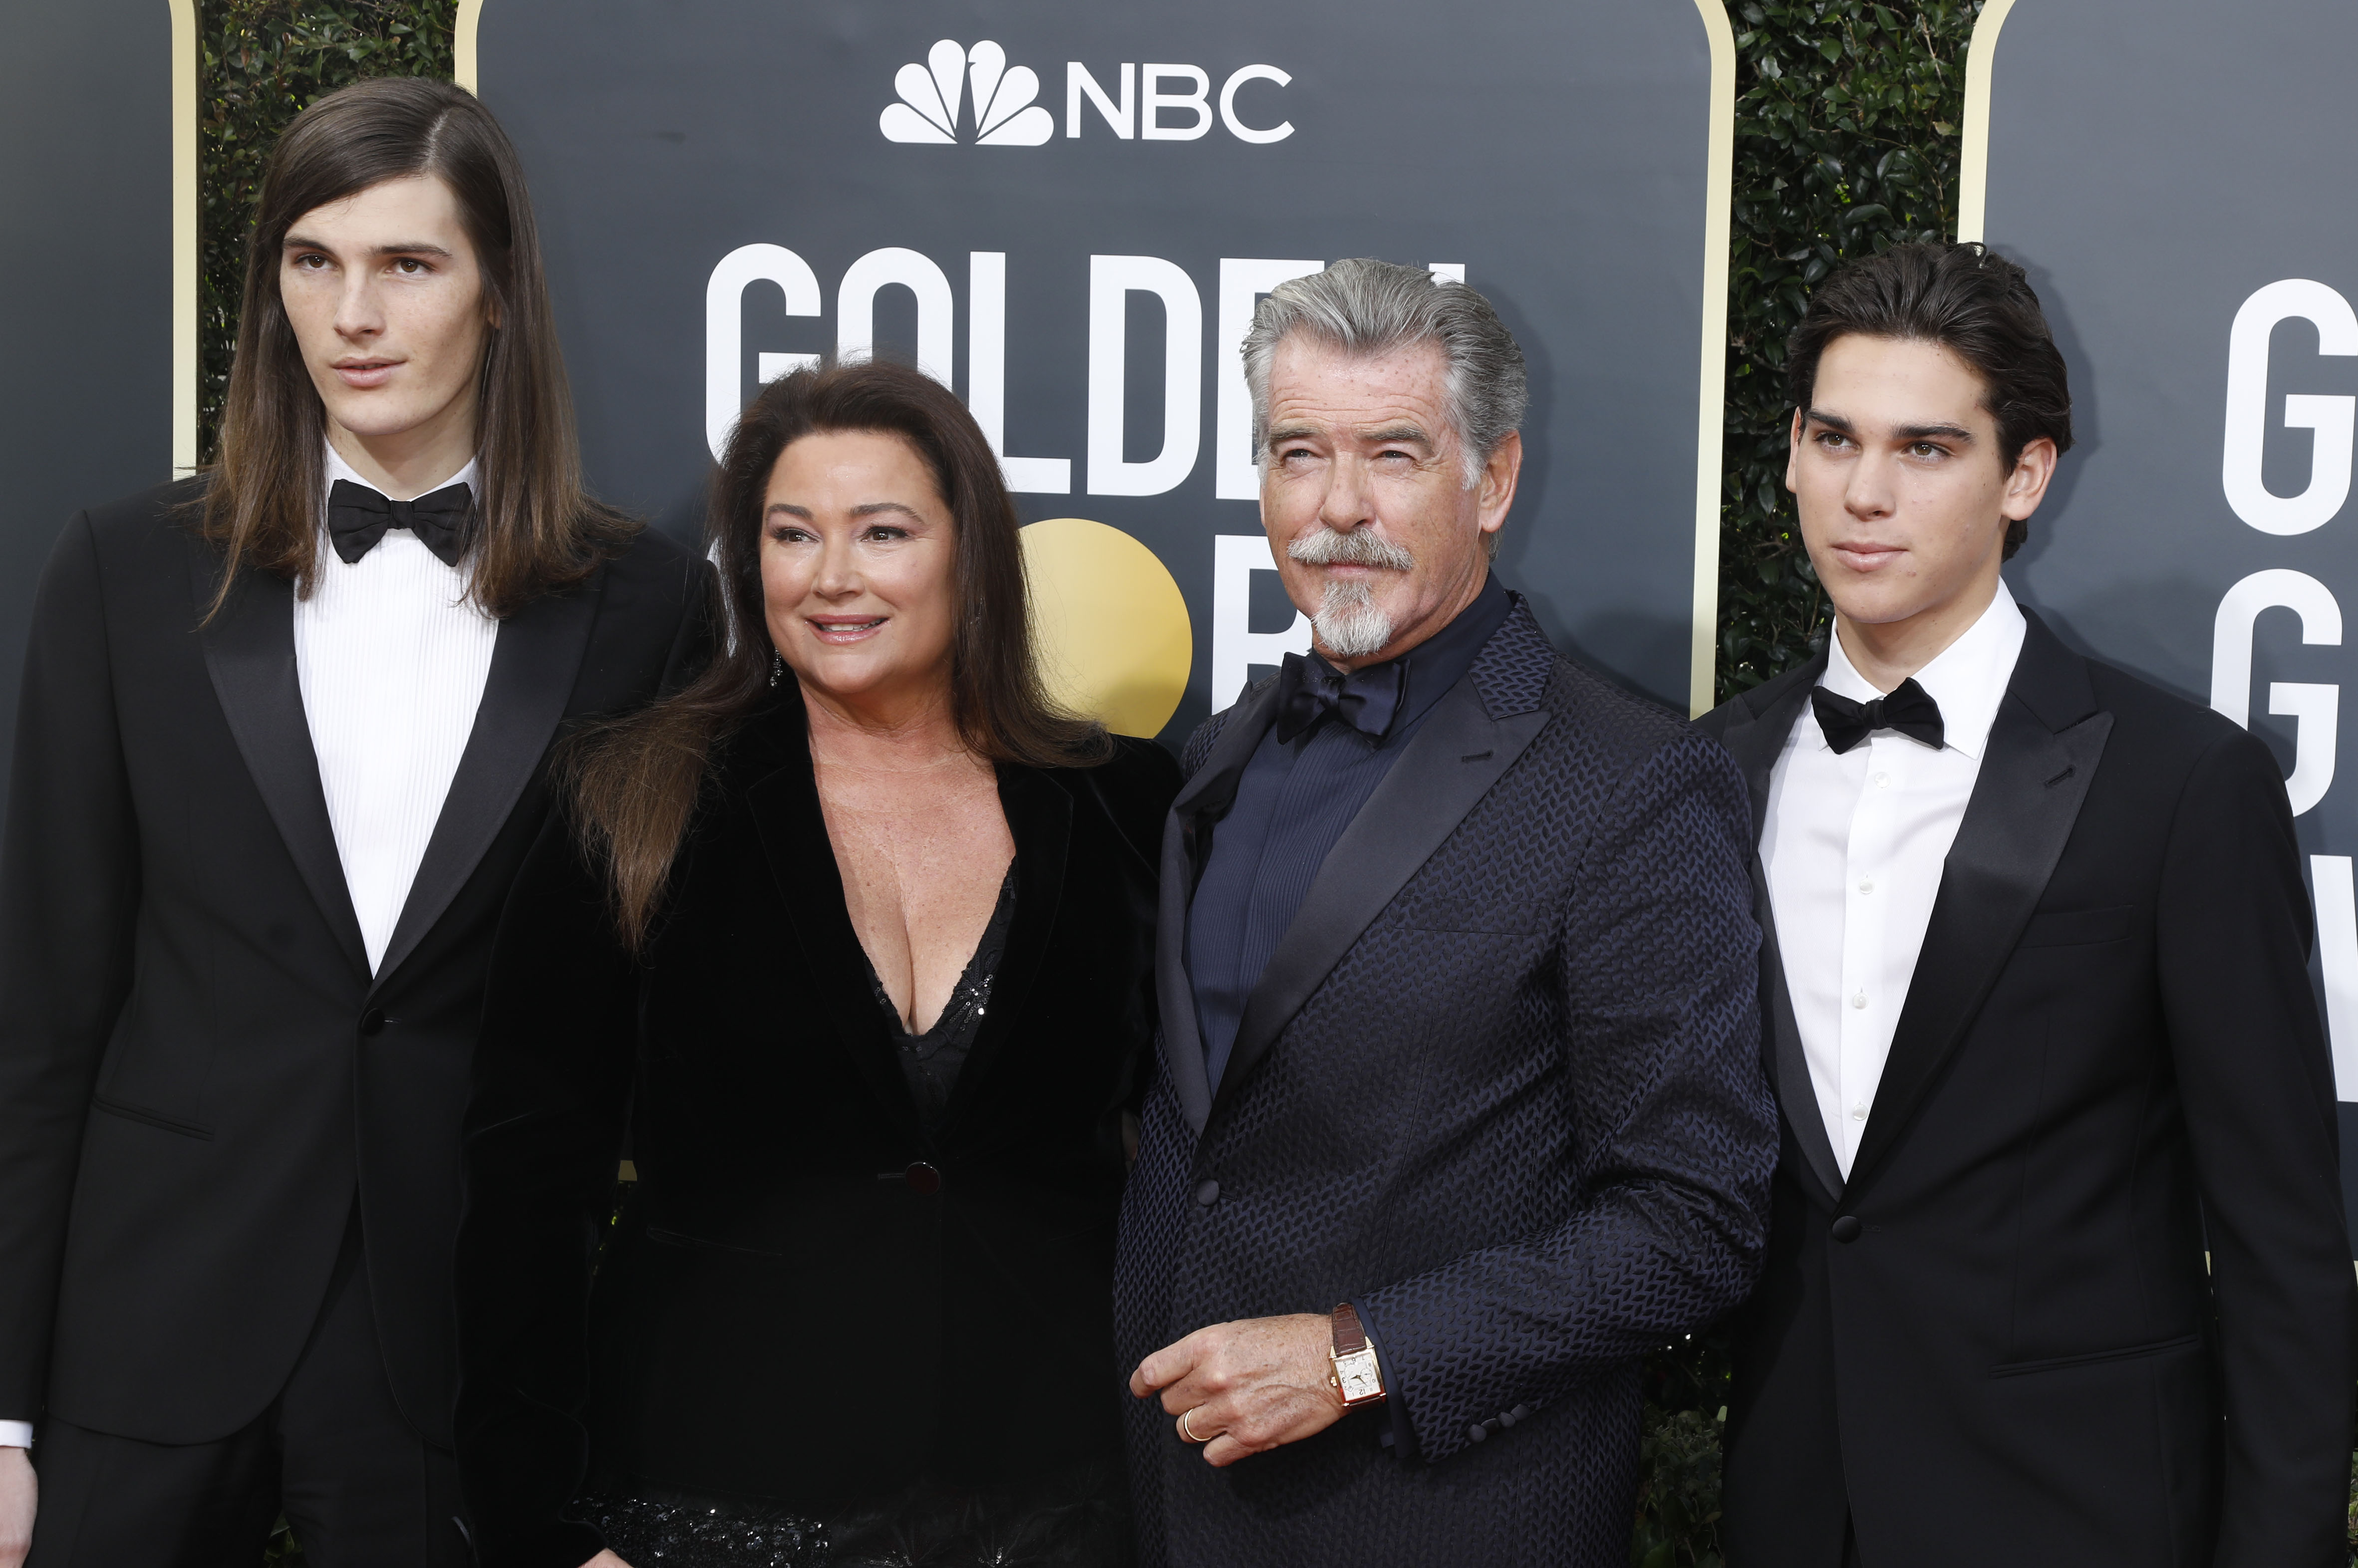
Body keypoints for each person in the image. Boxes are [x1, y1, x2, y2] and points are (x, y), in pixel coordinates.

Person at [0, 78, 709, 1567]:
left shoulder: (639, 604)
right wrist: (0, 1413)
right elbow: (43, 1021)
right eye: (311, 261)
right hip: (146, 1336)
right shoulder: (125, 570)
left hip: (455, 1348)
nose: (352, 313)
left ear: (500, 293)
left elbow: (667, 1051)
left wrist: (636, 1456)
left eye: (408, 264)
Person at [451, 356, 1179, 1568]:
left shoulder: (1123, 808)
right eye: (792, 535)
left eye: (882, 531)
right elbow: (524, 1186)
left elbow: (1194, 1159)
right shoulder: (633, 798)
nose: (832, 576)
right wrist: (540, 1523)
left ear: (969, 550)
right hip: (703, 1498)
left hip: (1056, 1501)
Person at [1698, 241, 2358, 1567]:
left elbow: (2283, 1244)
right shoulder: (1711, 771)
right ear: (1788, 452)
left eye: (1926, 449)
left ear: (2024, 476)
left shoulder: (2182, 784)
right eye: (1834, 437)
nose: (1864, 493)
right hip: (1794, 1502)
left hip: (2084, 1512)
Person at [1114, 258, 1778, 1566]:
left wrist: (1356, 1356)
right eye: (1298, 452)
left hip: (1434, 1522)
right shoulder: (1223, 753)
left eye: (1393, 454)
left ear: (1492, 479)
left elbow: (1694, 1222)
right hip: (1170, 1513)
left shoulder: (1628, 781)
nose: (1338, 507)